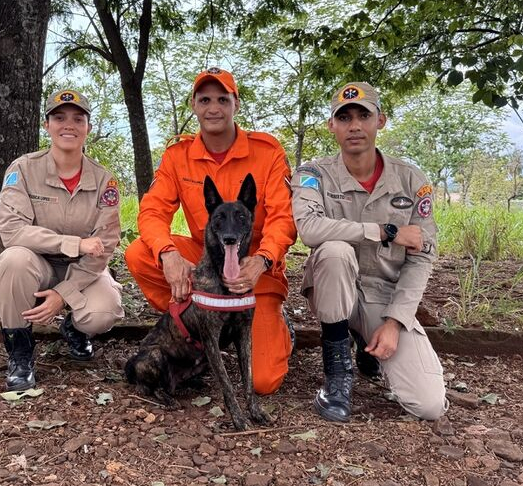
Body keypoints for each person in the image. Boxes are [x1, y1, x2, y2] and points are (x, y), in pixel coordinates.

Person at [125, 67, 297, 395]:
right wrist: (168, 254)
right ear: (193, 104)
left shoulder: (267, 152)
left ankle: (275, 324)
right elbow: (151, 212)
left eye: (223, 99)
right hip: (208, 262)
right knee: (139, 253)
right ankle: (199, 328)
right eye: (205, 99)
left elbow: (284, 217)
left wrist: (262, 260)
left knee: (263, 382)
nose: (213, 107)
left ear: (236, 104)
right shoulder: (178, 155)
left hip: (256, 270)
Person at [291, 82, 447, 422]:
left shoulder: (410, 180)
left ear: (381, 121)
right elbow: (310, 230)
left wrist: (394, 322)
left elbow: (422, 254)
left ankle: (368, 342)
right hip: (332, 290)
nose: (355, 125)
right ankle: (337, 376)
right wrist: (383, 231)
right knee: (334, 251)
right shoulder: (312, 174)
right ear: (332, 125)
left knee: (429, 405)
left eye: (364, 115)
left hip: (383, 296)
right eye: (344, 117)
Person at [0, 89, 123, 391]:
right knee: (12, 261)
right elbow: (12, 230)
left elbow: (104, 246)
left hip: (85, 271)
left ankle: (74, 328)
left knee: (103, 312)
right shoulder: (23, 169)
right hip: (38, 265)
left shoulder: (105, 180)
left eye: (78, 119)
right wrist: (72, 243)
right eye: (59, 117)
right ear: (46, 125)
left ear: (88, 127)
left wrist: (63, 295)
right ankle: (20, 354)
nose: (69, 125)